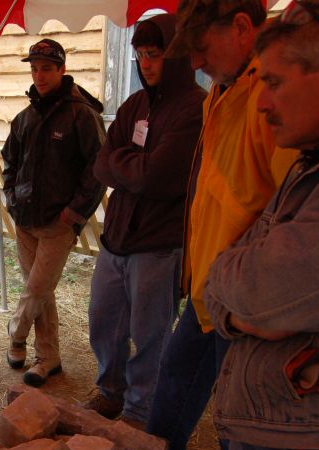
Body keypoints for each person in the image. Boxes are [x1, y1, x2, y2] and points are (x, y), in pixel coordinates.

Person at [204, 1, 319, 450]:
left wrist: (239, 299)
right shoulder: (317, 161)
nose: (262, 102)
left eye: (274, 81)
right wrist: (239, 306)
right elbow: (230, 278)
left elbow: (255, 285)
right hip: (284, 443)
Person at [144, 0, 298, 450]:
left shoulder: (272, 93)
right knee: (173, 383)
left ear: (240, 27)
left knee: (239, 421)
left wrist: (249, 286)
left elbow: (294, 208)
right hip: (210, 289)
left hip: (248, 302)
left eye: (203, 51)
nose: (199, 64)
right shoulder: (225, 91)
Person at [85, 14, 206, 427]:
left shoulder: (194, 108)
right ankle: (111, 391)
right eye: (140, 55)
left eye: (154, 55)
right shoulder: (135, 104)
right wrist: (134, 168)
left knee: (150, 335)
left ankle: (139, 410)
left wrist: (131, 168)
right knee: (103, 322)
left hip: (159, 242)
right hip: (117, 237)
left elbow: (158, 176)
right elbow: (102, 165)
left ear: (175, 57)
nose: (145, 63)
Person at [2, 38, 106, 387]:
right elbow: (9, 162)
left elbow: (98, 168)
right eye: (34, 68)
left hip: (58, 223)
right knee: (40, 292)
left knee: (35, 289)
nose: (40, 75)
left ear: (62, 69)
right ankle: (49, 358)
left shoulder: (82, 115)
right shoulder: (25, 118)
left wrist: (75, 212)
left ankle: (15, 334)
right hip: (25, 219)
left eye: (47, 68)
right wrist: (11, 198)